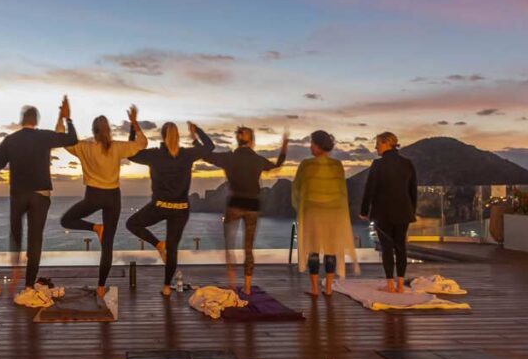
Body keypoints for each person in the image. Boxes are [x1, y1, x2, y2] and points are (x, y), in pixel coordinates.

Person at [0, 96, 77, 292]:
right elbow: (72, 139)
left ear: (21, 120)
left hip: (18, 194)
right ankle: (29, 284)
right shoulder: (44, 136)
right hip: (40, 194)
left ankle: (16, 267)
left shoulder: (10, 140)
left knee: (16, 232)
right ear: (36, 121)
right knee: (36, 239)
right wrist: (67, 119)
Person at [60, 106, 147, 296]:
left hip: (93, 196)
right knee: (107, 244)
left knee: (66, 220)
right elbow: (142, 143)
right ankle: (101, 286)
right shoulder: (117, 147)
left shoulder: (84, 147)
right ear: (108, 130)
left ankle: (94, 228)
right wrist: (134, 122)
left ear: (93, 131)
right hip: (113, 197)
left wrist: (65, 118)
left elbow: (63, 139)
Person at [125, 122, 214, 296]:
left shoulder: (154, 155)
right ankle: (166, 287)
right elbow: (210, 146)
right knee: (172, 249)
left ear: (162, 136)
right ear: (178, 136)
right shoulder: (188, 154)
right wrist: (198, 131)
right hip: (181, 209)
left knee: (132, 224)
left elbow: (130, 154)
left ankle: (158, 244)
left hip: (159, 207)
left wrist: (133, 128)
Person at [206, 127, 289, 295]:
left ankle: (231, 284)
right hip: (252, 206)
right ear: (252, 141)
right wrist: (284, 146)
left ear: (238, 140)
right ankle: (248, 287)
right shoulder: (257, 159)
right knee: (248, 248)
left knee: (229, 246)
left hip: (234, 204)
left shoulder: (228, 158)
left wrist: (196, 140)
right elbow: (277, 164)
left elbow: (207, 156)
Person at [291, 130, 359, 296]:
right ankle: (328, 288)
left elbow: (296, 189)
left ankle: (315, 289)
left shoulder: (306, 165)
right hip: (334, 213)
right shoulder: (337, 165)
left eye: (312, 143)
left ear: (318, 145)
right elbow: (342, 191)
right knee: (331, 249)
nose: (310, 147)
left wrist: (299, 207)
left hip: (313, 213)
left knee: (313, 250)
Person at [359, 131, 417, 293]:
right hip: (404, 212)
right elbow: (412, 191)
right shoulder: (407, 164)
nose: (375, 147)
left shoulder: (378, 165)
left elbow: (369, 190)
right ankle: (400, 285)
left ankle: (390, 284)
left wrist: (364, 211)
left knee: (387, 248)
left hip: (382, 213)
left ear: (386, 143)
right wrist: (412, 210)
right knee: (401, 247)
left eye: (377, 143)